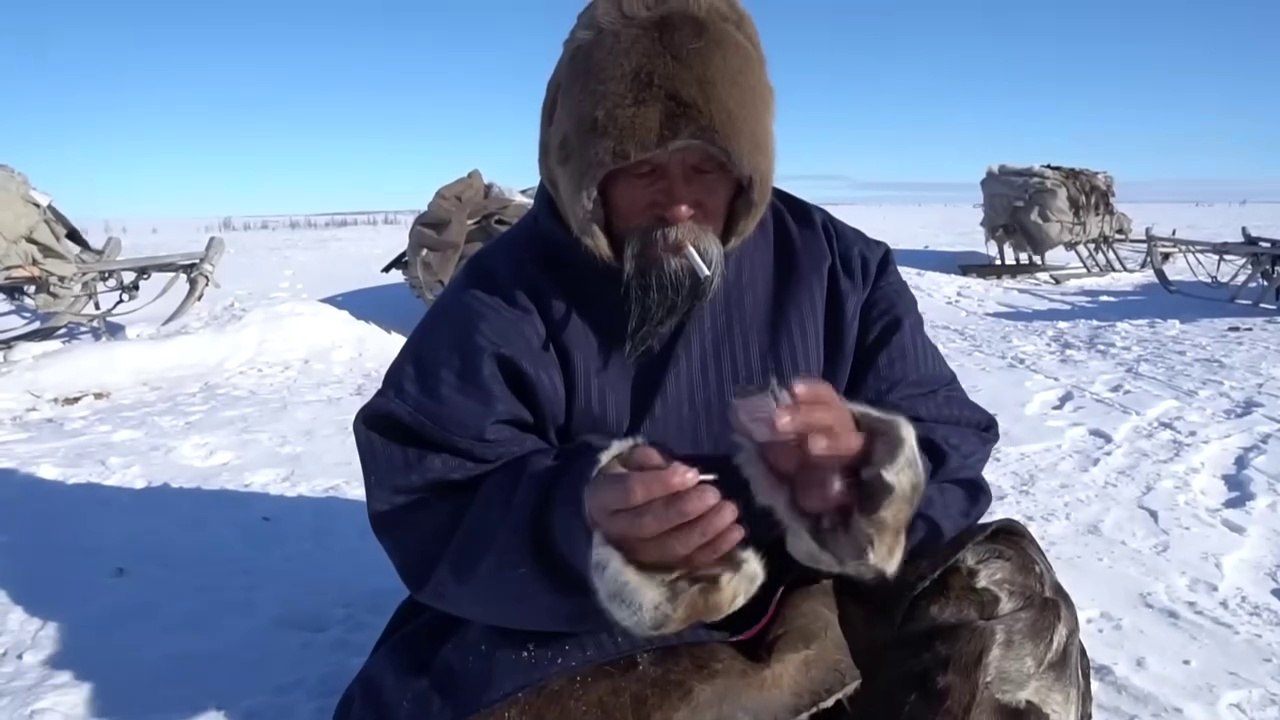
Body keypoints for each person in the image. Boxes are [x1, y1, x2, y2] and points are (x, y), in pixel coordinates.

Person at [333, 1, 1092, 718]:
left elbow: (947, 438)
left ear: (747, 164)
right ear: (584, 171)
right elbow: (428, 481)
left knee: (1005, 601)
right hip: (584, 628)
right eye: (641, 169)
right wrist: (583, 519)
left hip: (810, 589)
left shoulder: (837, 269)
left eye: (704, 168)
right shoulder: (508, 292)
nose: (679, 203)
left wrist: (871, 473)